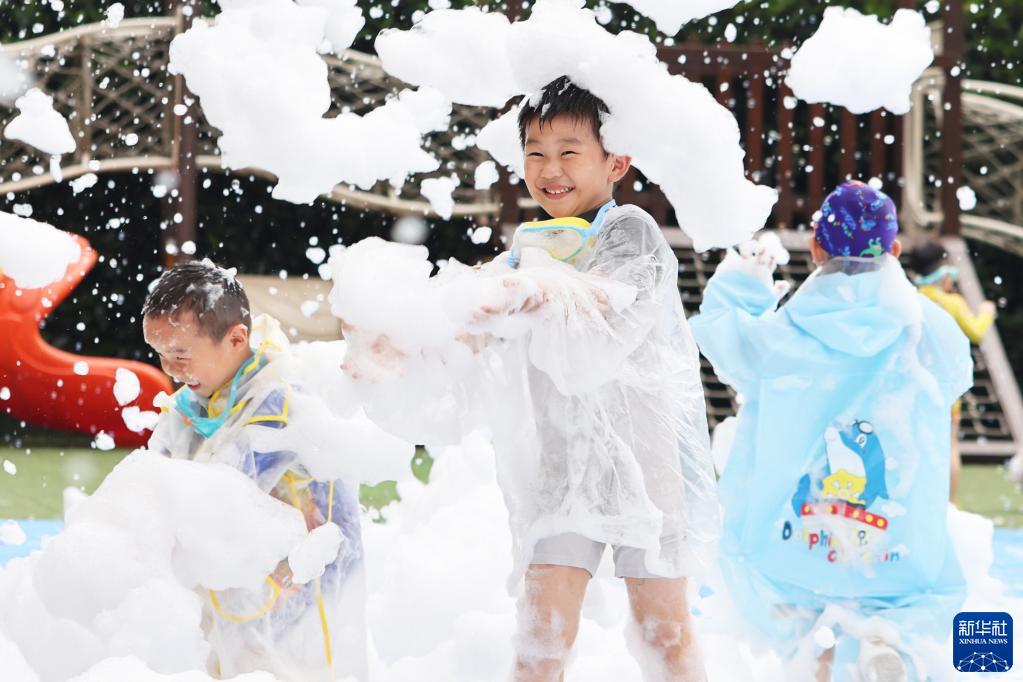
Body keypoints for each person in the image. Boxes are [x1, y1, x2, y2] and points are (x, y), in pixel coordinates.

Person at [690, 181, 972, 682]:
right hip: (893, 543)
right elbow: (955, 376)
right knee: (901, 595)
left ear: (816, 248)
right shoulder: (924, 329)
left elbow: (724, 337)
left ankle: (817, 657)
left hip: (796, 538)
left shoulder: (784, 335)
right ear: (894, 250)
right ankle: (884, 638)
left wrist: (744, 281)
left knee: (797, 615)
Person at [502, 76, 718, 682]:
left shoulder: (629, 229)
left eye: (569, 152)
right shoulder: (529, 246)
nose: (550, 169)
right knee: (540, 638)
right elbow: (486, 305)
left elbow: (604, 296)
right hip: (564, 466)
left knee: (663, 632)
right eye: (536, 152)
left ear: (615, 162)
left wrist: (531, 291)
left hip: (643, 467)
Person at [142, 259, 366, 681]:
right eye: (161, 354)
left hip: (303, 586)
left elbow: (221, 492)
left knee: (291, 671)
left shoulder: (279, 401)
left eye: (181, 354)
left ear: (235, 339)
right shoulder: (196, 400)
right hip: (244, 586)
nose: (170, 368)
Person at [908, 240, 997, 502]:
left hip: (912, 386)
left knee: (914, 445)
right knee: (949, 447)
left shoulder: (910, 299)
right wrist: (986, 312)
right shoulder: (952, 303)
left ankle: (916, 501)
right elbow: (976, 332)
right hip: (945, 390)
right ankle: (949, 505)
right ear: (943, 274)